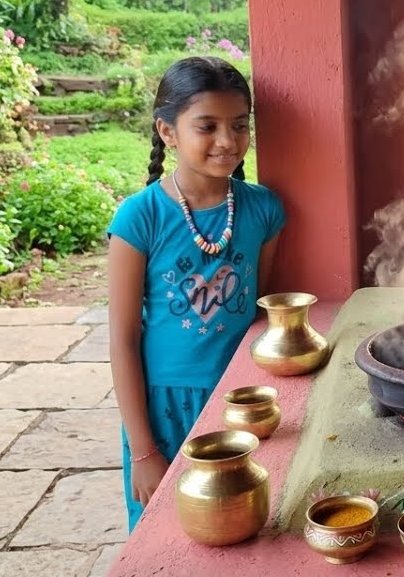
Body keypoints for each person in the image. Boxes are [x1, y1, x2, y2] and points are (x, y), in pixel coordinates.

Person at [108, 56, 286, 531]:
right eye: (207, 126)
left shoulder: (263, 210)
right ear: (168, 132)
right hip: (166, 407)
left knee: (242, 521)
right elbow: (123, 339)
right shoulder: (138, 218)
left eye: (239, 126)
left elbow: (260, 309)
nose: (227, 141)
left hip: (241, 398)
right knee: (166, 530)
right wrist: (143, 450)